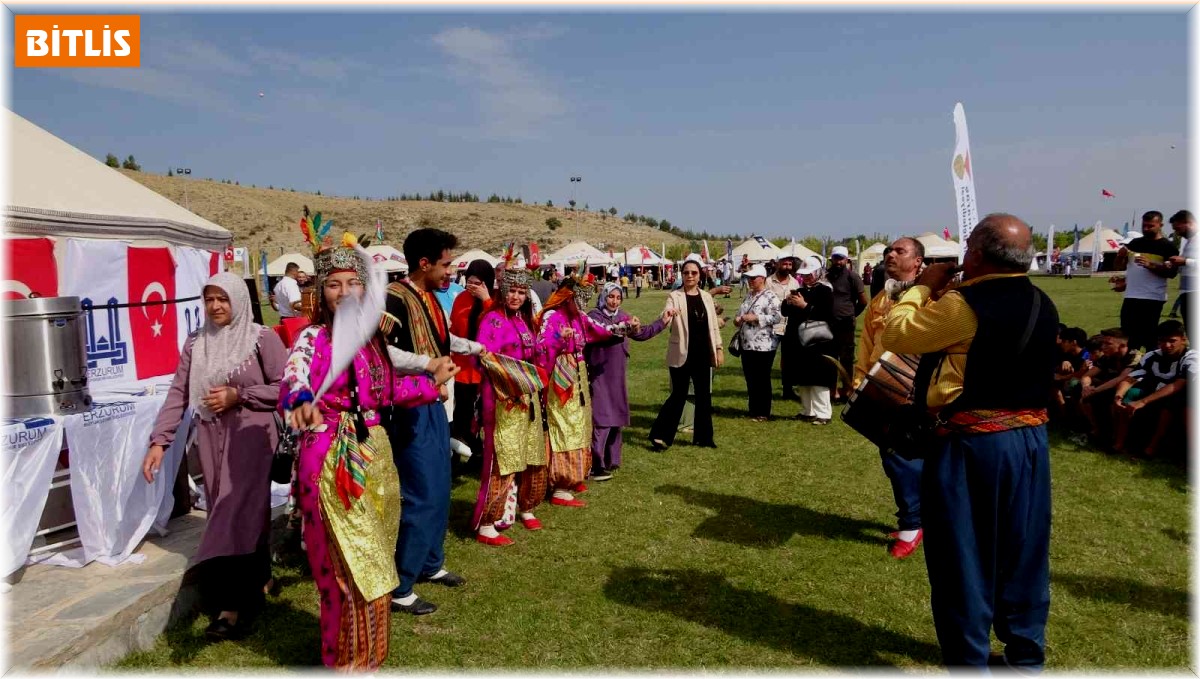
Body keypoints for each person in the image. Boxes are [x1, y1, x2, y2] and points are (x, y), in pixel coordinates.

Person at [881, 213, 1058, 670]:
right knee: (1024, 552)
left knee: (963, 556)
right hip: (1031, 441)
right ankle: (1024, 656)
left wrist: (921, 287)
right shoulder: (1043, 301)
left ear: (975, 254)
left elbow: (897, 332)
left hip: (975, 445)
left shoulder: (964, 304)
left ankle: (969, 661)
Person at [281, 241, 447, 668]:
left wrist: (431, 383)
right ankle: (343, 659)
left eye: (354, 283)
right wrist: (300, 401)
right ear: (321, 292)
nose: (345, 291)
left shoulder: (372, 341)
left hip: (375, 453)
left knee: (374, 555)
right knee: (345, 562)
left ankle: (368, 654)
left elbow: (388, 390)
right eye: (334, 285)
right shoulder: (312, 338)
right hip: (332, 456)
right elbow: (294, 379)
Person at [143, 272, 287, 641]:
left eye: (223, 298)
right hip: (211, 436)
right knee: (239, 511)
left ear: (238, 299)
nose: (216, 306)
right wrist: (160, 441)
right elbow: (178, 392)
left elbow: (287, 386)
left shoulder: (261, 338)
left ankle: (231, 608)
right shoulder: (197, 343)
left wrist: (240, 396)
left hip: (252, 436)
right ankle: (259, 579)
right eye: (209, 299)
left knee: (231, 512)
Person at [380, 228, 485, 616]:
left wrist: (477, 349)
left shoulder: (429, 296)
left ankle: (430, 563)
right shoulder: (393, 297)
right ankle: (401, 584)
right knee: (421, 493)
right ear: (424, 264)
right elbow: (383, 351)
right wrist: (426, 365)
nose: (450, 272)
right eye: (445, 264)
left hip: (436, 403)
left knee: (440, 485)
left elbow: (442, 340)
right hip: (409, 407)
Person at [853, 237, 925, 558]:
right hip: (881, 389)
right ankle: (914, 517)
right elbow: (867, 344)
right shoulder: (881, 298)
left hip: (914, 391)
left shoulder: (933, 298)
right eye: (888, 252)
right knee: (892, 456)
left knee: (903, 458)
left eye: (900, 251)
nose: (890, 255)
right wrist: (859, 382)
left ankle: (913, 524)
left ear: (918, 263)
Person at [472, 266, 549, 546]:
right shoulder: (492, 321)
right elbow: (484, 357)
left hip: (527, 400)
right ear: (502, 291)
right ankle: (488, 522)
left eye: (520, 292)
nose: (516, 296)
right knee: (503, 458)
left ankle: (525, 506)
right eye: (511, 291)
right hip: (503, 400)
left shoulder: (523, 320)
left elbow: (535, 354)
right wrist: (515, 380)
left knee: (531, 452)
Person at [585, 283, 673, 480]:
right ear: (603, 297)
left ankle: (612, 459)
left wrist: (662, 321)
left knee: (616, 415)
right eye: (611, 297)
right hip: (600, 374)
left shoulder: (622, 315)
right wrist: (626, 327)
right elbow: (607, 332)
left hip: (617, 374)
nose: (614, 301)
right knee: (602, 418)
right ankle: (595, 463)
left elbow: (641, 333)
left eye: (618, 298)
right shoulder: (594, 317)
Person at [649, 258, 723, 450]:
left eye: (694, 273)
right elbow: (665, 313)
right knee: (678, 396)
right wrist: (668, 314)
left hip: (703, 354)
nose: (690, 276)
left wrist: (719, 348)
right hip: (681, 353)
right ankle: (660, 436)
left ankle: (704, 438)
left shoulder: (706, 297)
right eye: (686, 272)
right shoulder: (675, 296)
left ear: (700, 276)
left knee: (704, 397)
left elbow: (714, 325)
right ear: (682, 275)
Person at [1112, 320, 1194, 458]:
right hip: (1153, 393)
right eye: (1162, 340)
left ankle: (1151, 448)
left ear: (1183, 339)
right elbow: (1130, 379)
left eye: (1172, 341)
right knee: (1128, 395)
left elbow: (1179, 385)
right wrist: (1118, 396)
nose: (1167, 345)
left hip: (1179, 396)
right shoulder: (1152, 355)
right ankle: (1119, 443)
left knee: (1171, 403)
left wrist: (1143, 402)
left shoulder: (1191, 357)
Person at [448, 260, 497, 467]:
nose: (473, 286)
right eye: (469, 281)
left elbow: (496, 325)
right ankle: (466, 454)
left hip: (486, 369)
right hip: (462, 369)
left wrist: (485, 299)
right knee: (463, 415)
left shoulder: (495, 301)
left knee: (485, 415)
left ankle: (485, 454)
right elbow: (452, 330)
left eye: (478, 282)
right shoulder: (461, 299)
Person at [781, 257, 837, 425]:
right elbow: (785, 312)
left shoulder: (825, 291)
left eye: (809, 274)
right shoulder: (799, 290)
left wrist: (805, 306)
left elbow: (826, 315)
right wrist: (788, 302)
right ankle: (807, 411)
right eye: (803, 275)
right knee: (803, 377)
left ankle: (823, 413)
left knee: (819, 378)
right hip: (799, 340)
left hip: (817, 340)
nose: (806, 278)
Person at [1114, 211, 1180, 351]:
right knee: (1128, 335)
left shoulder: (1168, 247)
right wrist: (1120, 257)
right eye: (1144, 226)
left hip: (1152, 297)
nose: (1146, 229)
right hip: (1131, 296)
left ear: (1160, 225)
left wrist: (1151, 265)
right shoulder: (1135, 243)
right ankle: (1131, 365)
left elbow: (1172, 273)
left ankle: (1151, 364)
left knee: (1148, 336)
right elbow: (1119, 266)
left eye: (1150, 226)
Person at [1076, 328, 1141, 448]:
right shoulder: (1107, 357)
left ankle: (1117, 441)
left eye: (1108, 343)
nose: (1103, 347)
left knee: (1114, 405)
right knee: (1084, 401)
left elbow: (1121, 378)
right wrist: (1086, 387)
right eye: (1103, 343)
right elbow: (1087, 376)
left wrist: (1095, 390)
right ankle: (1098, 431)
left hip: (1131, 390)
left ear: (1122, 345)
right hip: (1111, 388)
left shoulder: (1134, 356)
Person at [734, 264, 782, 421]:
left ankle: (763, 411)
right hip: (747, 343)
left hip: (764, 345)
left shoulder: (771, 297)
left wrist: (757, 318)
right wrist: (738, 319)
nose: (750, 281)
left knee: (762, 378)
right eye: (749, 278)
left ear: (762, 279)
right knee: (750, 377)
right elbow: (741, 313)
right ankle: (753, 409)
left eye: (753, 278)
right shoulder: (749, 296)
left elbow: (777, 317)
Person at [826, 246, 868, 403]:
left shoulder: (853, 277)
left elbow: (863, 301)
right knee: (830, 359)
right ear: (832, 259)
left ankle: (847, 390)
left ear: (847, 260)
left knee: (846, 359)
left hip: (845, 325)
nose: (838, 261)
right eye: (836, 258)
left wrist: (851, 314)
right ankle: (832, 391)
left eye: (841, 258)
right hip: (828, 325)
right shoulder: (826, 277)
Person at [765, 257, 801, 400]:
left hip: (789, 325)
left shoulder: (795, 282)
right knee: (768, 358)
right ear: (778, 264)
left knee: (788, 359)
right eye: (784, 264)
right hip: (772, 325)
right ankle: (764, 388)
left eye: (790, 264)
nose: (787, 266)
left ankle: (787, 389)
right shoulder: (768, 281)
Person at [1166, 210, 1195, 338]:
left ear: (1189, 222)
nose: (1177, 232)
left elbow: (1189, 262)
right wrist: (1175, 265)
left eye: (1178, 228)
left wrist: (1185, 261)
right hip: (1187, 292)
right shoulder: (1190, 241)